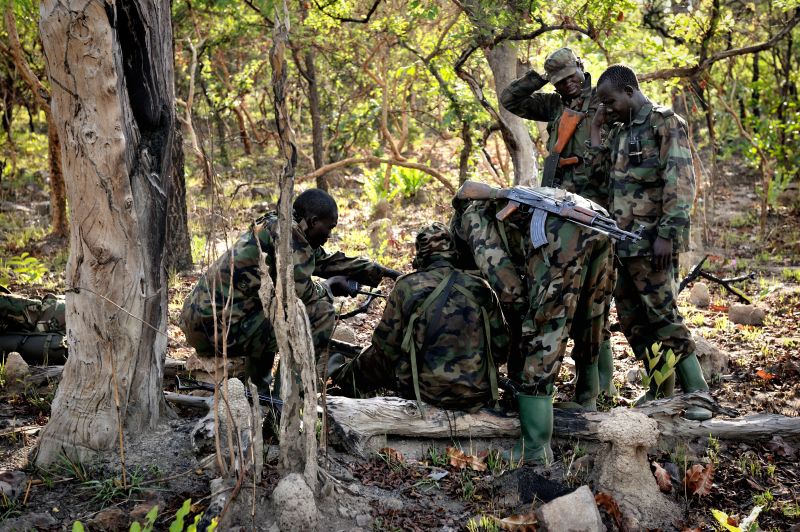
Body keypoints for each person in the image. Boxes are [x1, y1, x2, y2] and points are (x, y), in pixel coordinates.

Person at [451, 187, 612, 464]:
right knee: (591, 313)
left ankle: (536, 447)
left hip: (560, 227)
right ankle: (588, 398)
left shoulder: (472, 219)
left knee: (544, 327)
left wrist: (519, 367)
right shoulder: (498, 208)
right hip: (596, 219)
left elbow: (511, 295)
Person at [587, 64, 711, 421]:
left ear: (630, 90)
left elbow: (680, 183)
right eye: (603, 105)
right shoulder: (620, 130)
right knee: (632, 318)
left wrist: (667, 235)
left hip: (653, 243)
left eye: (610, 102)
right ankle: (661, 388)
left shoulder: (665, 122)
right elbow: (598, 179)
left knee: (662, 314)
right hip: (621, 243)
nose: (607, 109)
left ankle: (698, 393)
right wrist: (597, 129)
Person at [179, 188, 400, 389]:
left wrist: (380, 272)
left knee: (271, 310)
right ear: (313, 221)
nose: (329, 235)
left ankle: (260, 386)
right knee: (320, 313)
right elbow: (301, 295)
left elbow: (325, 261)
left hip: (205, 322)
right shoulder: (290, 237)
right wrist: (331, 287)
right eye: (329, 227)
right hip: (219, 331)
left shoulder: (279, 226)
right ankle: (287, 400)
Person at [501, 47, 617, 398]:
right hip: (559, 216)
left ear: (582, 68)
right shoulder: (554, 105)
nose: (567, 84)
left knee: (595, 306)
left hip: (596, 214)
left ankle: (598, 387)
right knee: (566, 297)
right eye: (559, 80)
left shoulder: (604, 100)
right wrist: (537, 78)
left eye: (571, 76)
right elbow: (511, 101)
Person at [329, 223, 510, 412]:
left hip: (424, 395)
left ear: (420, 256)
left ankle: (337, 379)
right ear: (454, 252)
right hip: (477, 396)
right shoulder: (481, 287)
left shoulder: (407, 287)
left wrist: (355, 374)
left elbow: (385, 350)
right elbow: (501, 348)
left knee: (367, 362)